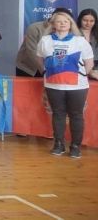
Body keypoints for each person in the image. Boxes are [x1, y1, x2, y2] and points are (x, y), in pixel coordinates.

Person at [36, 11, 96, 158]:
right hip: (53, 85)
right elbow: (39, 60)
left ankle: (75, 146)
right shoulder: (45, 40)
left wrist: (81, 74)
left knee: (76, 115)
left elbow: (89, 64)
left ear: (71, 24)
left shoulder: (80, 41)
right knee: (58, 114)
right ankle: (59, 144)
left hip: (77, 86)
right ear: (53, 24)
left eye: (66, 21)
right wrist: (46, 72)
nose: (62, 24)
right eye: (59, 21)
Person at [15, 7, 71, 77]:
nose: (63, 23)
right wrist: (45, 71)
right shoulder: (34, 28)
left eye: (66, 21)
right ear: (53, 17)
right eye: (60, 20)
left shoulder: (66, 31)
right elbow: (32, 51)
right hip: (28, 68)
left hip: (51, 70)